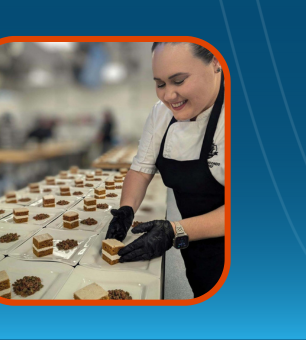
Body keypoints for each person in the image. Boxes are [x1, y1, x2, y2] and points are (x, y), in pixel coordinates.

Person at [105, 42, 225, 298]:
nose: (168, 95)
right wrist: (126, 208)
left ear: (216, 62)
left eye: (179, 81)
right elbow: (140, 169)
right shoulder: (161, 114)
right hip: (195, 246)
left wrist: (175, 230)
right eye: (160, 84)